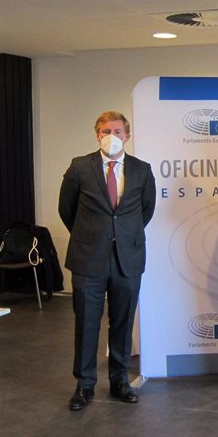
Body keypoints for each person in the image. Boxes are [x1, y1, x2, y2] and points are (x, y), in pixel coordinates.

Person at [59, 110, 156, 411]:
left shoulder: (141, 169)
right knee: (87, 322)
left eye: (117, 131)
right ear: (97, 135)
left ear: (127, 135)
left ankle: (119, 381)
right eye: (105, 131)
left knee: (123, 323)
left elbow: (146, 210)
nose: (111, 137)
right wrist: (93, 235)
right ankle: (84, 385)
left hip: (128, 258)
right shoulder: (79, 167)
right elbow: (67, 210)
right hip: (88, 257)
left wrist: (122, 235)